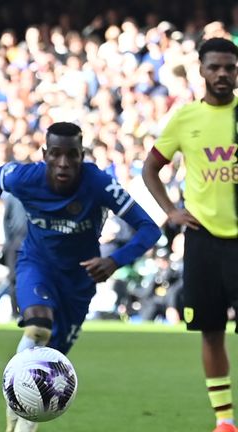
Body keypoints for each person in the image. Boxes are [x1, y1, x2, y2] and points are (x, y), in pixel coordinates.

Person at [0, 122, 160, 432]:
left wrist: (114, 260)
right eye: (55, 154)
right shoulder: (26, 177)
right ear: (45, 155)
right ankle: (16, 410)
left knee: (51, 366)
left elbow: (150, 229)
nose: (63, 163)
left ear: (82, 155)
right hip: (36, 264)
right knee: (39, 325)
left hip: (79, 282)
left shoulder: (99, 184)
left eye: (72, 155)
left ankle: (23, 420)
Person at [142, 37, 238, 432]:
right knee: (211, 331)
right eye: (214, 67)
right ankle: (225, 421)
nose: (222, 74)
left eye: (229, 68)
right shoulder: (184, 119)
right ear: (201, 69)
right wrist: (171, 211)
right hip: (203, 241)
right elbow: (150, 168)